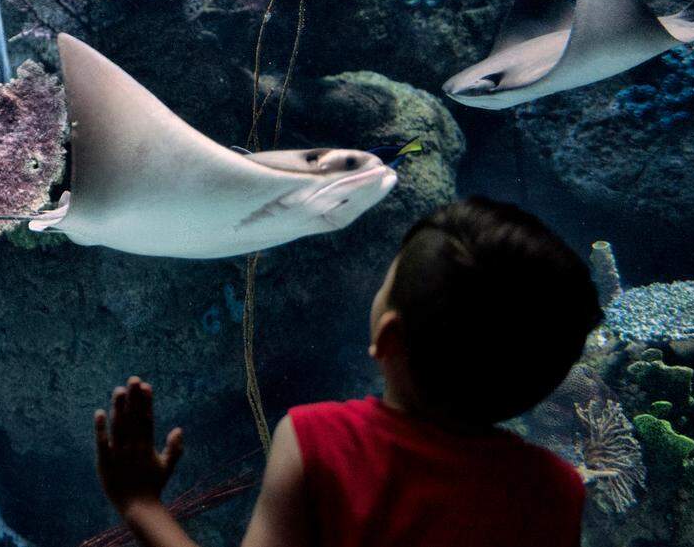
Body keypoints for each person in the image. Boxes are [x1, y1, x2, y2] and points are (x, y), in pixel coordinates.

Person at [92, 197, 603, 547]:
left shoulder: (319, 440)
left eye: (389, 278)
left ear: (389, 338)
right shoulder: (556, 488)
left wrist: (141, 504)